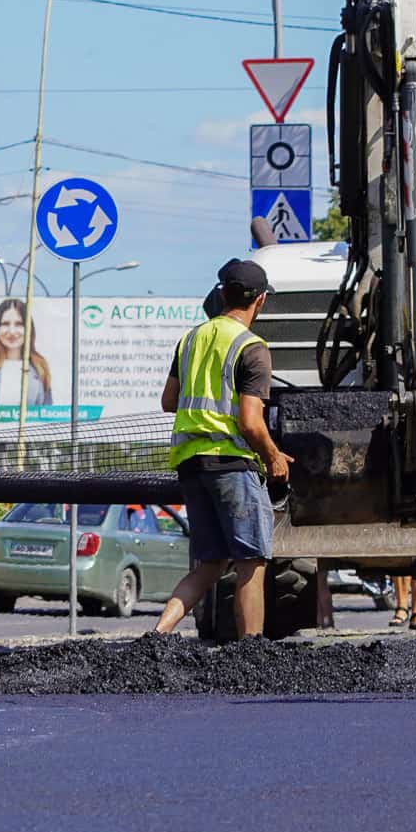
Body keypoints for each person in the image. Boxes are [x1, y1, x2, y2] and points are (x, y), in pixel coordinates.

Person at [154, 258, 292, 640]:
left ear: (222, 294)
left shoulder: (191, 338)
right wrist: (274, 456)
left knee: (210, 563)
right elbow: (250, 422)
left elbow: (169, 401)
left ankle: (158, 634)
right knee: (251, 560)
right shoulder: (252, 347)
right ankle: (251, 649)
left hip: (191, 465)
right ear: (260, 300)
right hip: (232, 464)